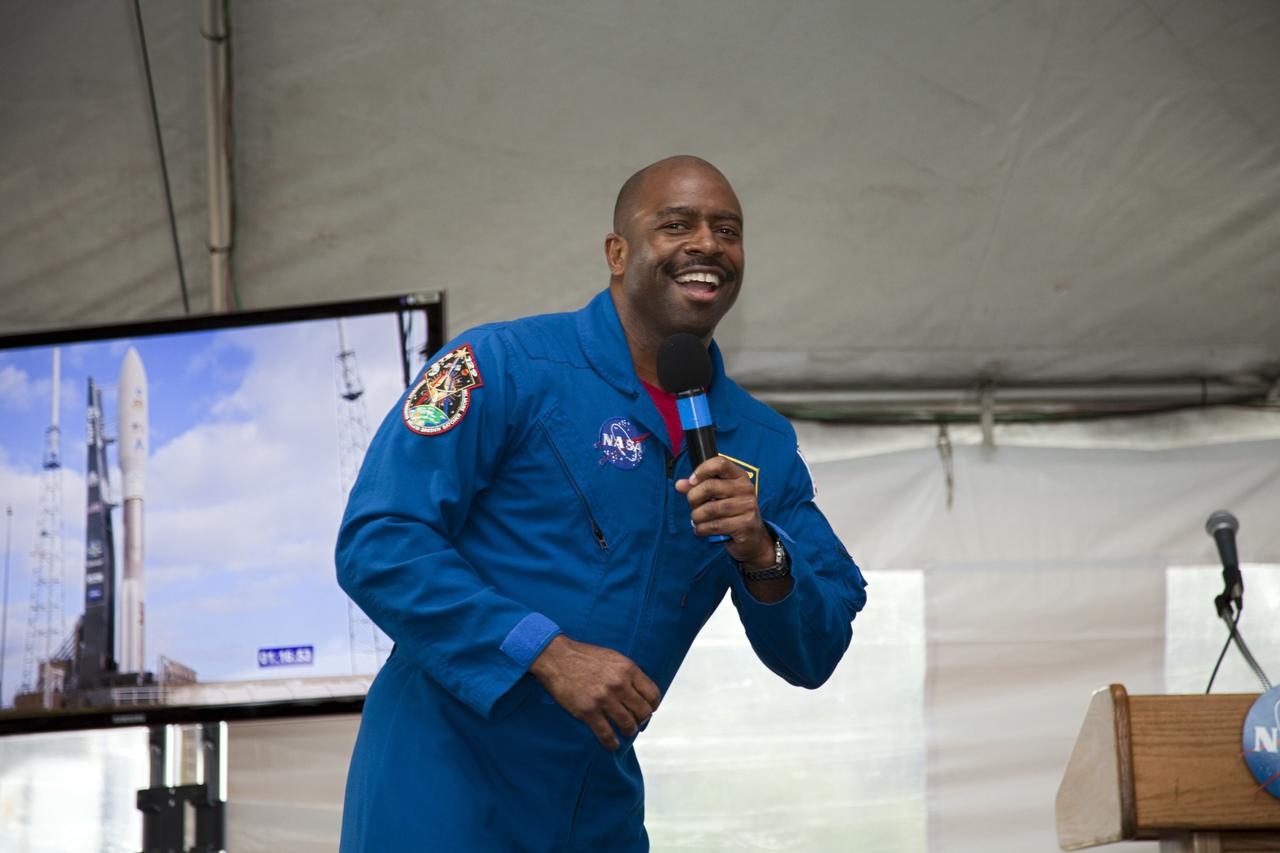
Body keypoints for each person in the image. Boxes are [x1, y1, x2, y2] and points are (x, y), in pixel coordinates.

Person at [336, 155, 868, 852]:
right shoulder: (502, 365)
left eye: (727, 230)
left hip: (594, 804)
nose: (707, 244)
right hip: (442, 781)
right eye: (677, 224)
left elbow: (817, 648)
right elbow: (380, 541)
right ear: (618, 253)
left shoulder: (760, 442)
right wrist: (545, 651)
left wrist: (761, 551)